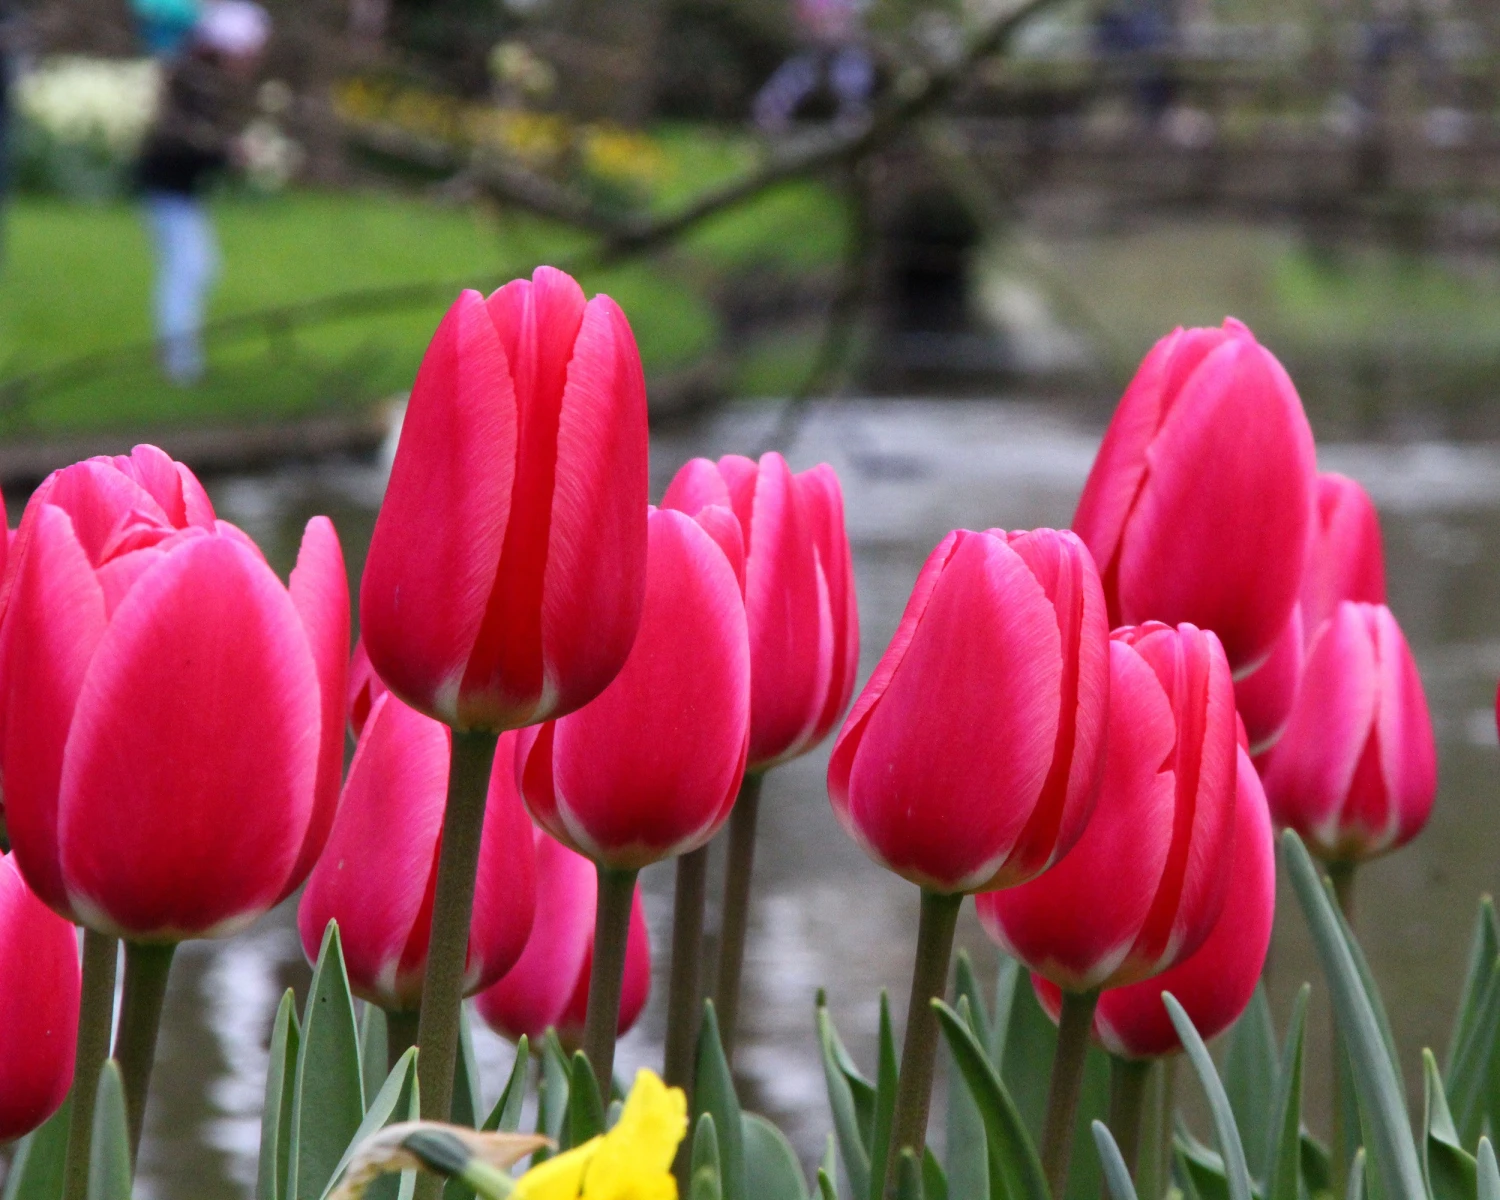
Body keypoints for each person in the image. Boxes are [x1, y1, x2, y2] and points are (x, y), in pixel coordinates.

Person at [136, 0, 269, 385]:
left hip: (177, 190)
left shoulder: (199, 82)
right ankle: (179, 360)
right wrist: (229, 155)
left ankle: (181, 356)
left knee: (195, 267)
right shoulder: (193, 84)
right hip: (168, 189)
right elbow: (185, 145)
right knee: (188, 268)